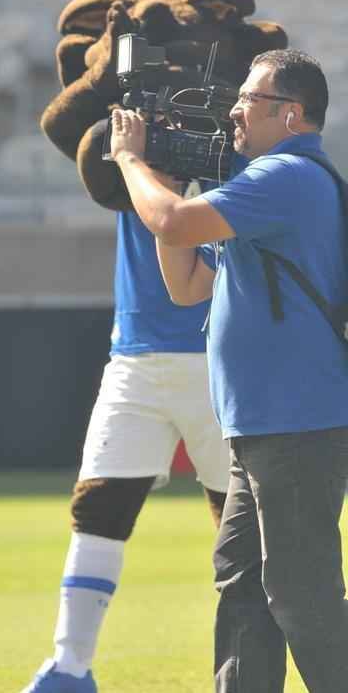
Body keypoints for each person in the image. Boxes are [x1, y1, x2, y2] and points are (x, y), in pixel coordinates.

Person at [110, 49, 348, 693]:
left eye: (249, 99)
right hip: (264, 424)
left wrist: (134, 160)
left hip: (297, 420)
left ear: (292, 114)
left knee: (303, 595)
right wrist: (168, 176)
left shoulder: (288, 175)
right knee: (243, 590)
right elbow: (187, 282)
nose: (234, 112)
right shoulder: (271, 184)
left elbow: (175, 221)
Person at [20, 160, 234, 691]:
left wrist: (135, 153)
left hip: (222, 354)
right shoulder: (125, 150)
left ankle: (252, 668)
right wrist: (124, 138)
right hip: (135, 355)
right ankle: (69, 666)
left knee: (245, 529)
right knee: (97, 508)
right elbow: (72, 131)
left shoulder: (234, 145)